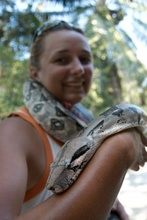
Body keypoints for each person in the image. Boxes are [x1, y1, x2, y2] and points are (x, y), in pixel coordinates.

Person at [0, 20, 146, 220]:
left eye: (85, 59)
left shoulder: (86, 122)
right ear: (34, 71)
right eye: (61, 60)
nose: (78, 69)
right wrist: (122, 146)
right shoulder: (14, 132)